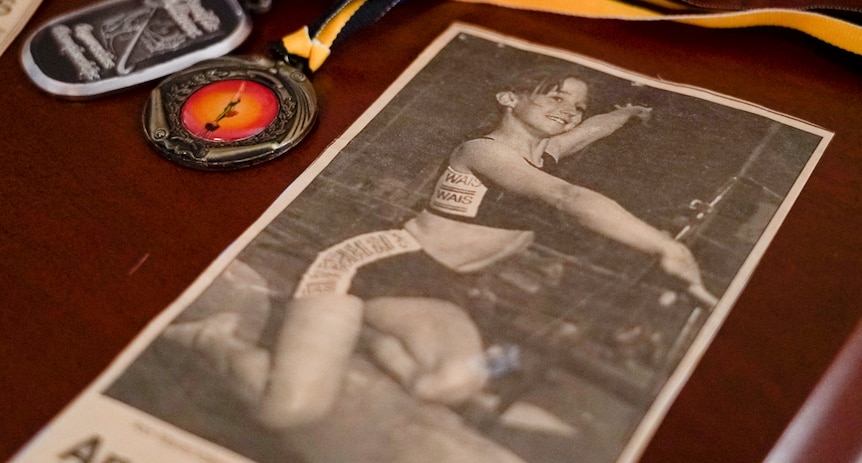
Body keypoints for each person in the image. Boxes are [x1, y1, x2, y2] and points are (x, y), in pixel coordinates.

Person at [164, 67, 712, 462]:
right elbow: (569, 201)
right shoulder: (484, 151)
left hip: (439, 287)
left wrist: (624, 113)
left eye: (577, 104)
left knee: (449, 383)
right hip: (375, 263)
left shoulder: (548, 149)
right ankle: (216, 339)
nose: (569, 110)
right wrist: (663, 244)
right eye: (555, 96)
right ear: (507, 96)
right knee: (287, 412)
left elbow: (587, 132)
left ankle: (373, 341)